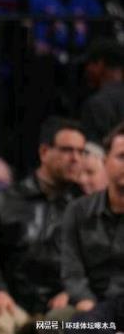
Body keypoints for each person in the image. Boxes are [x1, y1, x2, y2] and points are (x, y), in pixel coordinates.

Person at [0, 117, 85, 334]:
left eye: (81, 152)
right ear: (44, 152)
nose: (76, 158)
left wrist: (72, 292)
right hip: (12, 303)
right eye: (67, 150)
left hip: (60, 308)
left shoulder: (83, 209)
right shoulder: (7, 201)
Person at [62, 121, 124, 331]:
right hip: (93, 305)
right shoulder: (77, 211)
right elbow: (72, 271)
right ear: (105, 161)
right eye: (122, 157)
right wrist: (86, 303)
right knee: (51, 325)